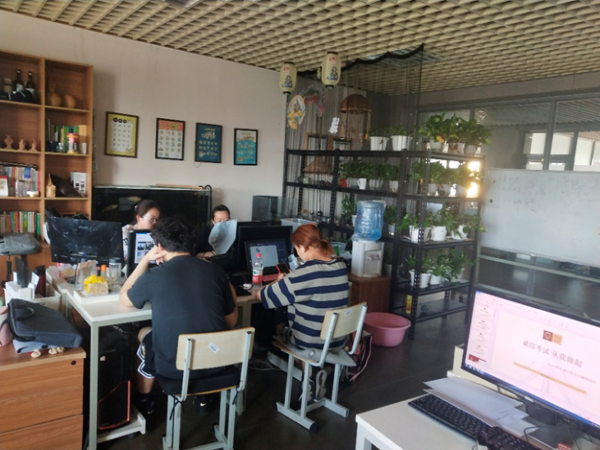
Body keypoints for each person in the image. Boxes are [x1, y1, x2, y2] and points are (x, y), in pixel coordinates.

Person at [119, 216, 238, 416]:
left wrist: (146, 259)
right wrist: (229, 287)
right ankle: (203, 398)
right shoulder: (216, 271)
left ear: (160, 246)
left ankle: (144, 400)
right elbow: (231, 322)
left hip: (175, 367)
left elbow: (124, 299)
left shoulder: (154, 276)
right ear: (193, 244)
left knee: (144, 333)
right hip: (218, 361)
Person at [255, 224, 349, 401]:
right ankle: (318, 370)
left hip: (311, 342)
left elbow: (261, 295)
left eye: (296, 249)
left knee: (271, 323)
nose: (297, 253)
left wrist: (279, 281)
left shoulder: (303, 274)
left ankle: (311, 373)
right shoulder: (341, 265)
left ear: (303, 248)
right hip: (338, 339)